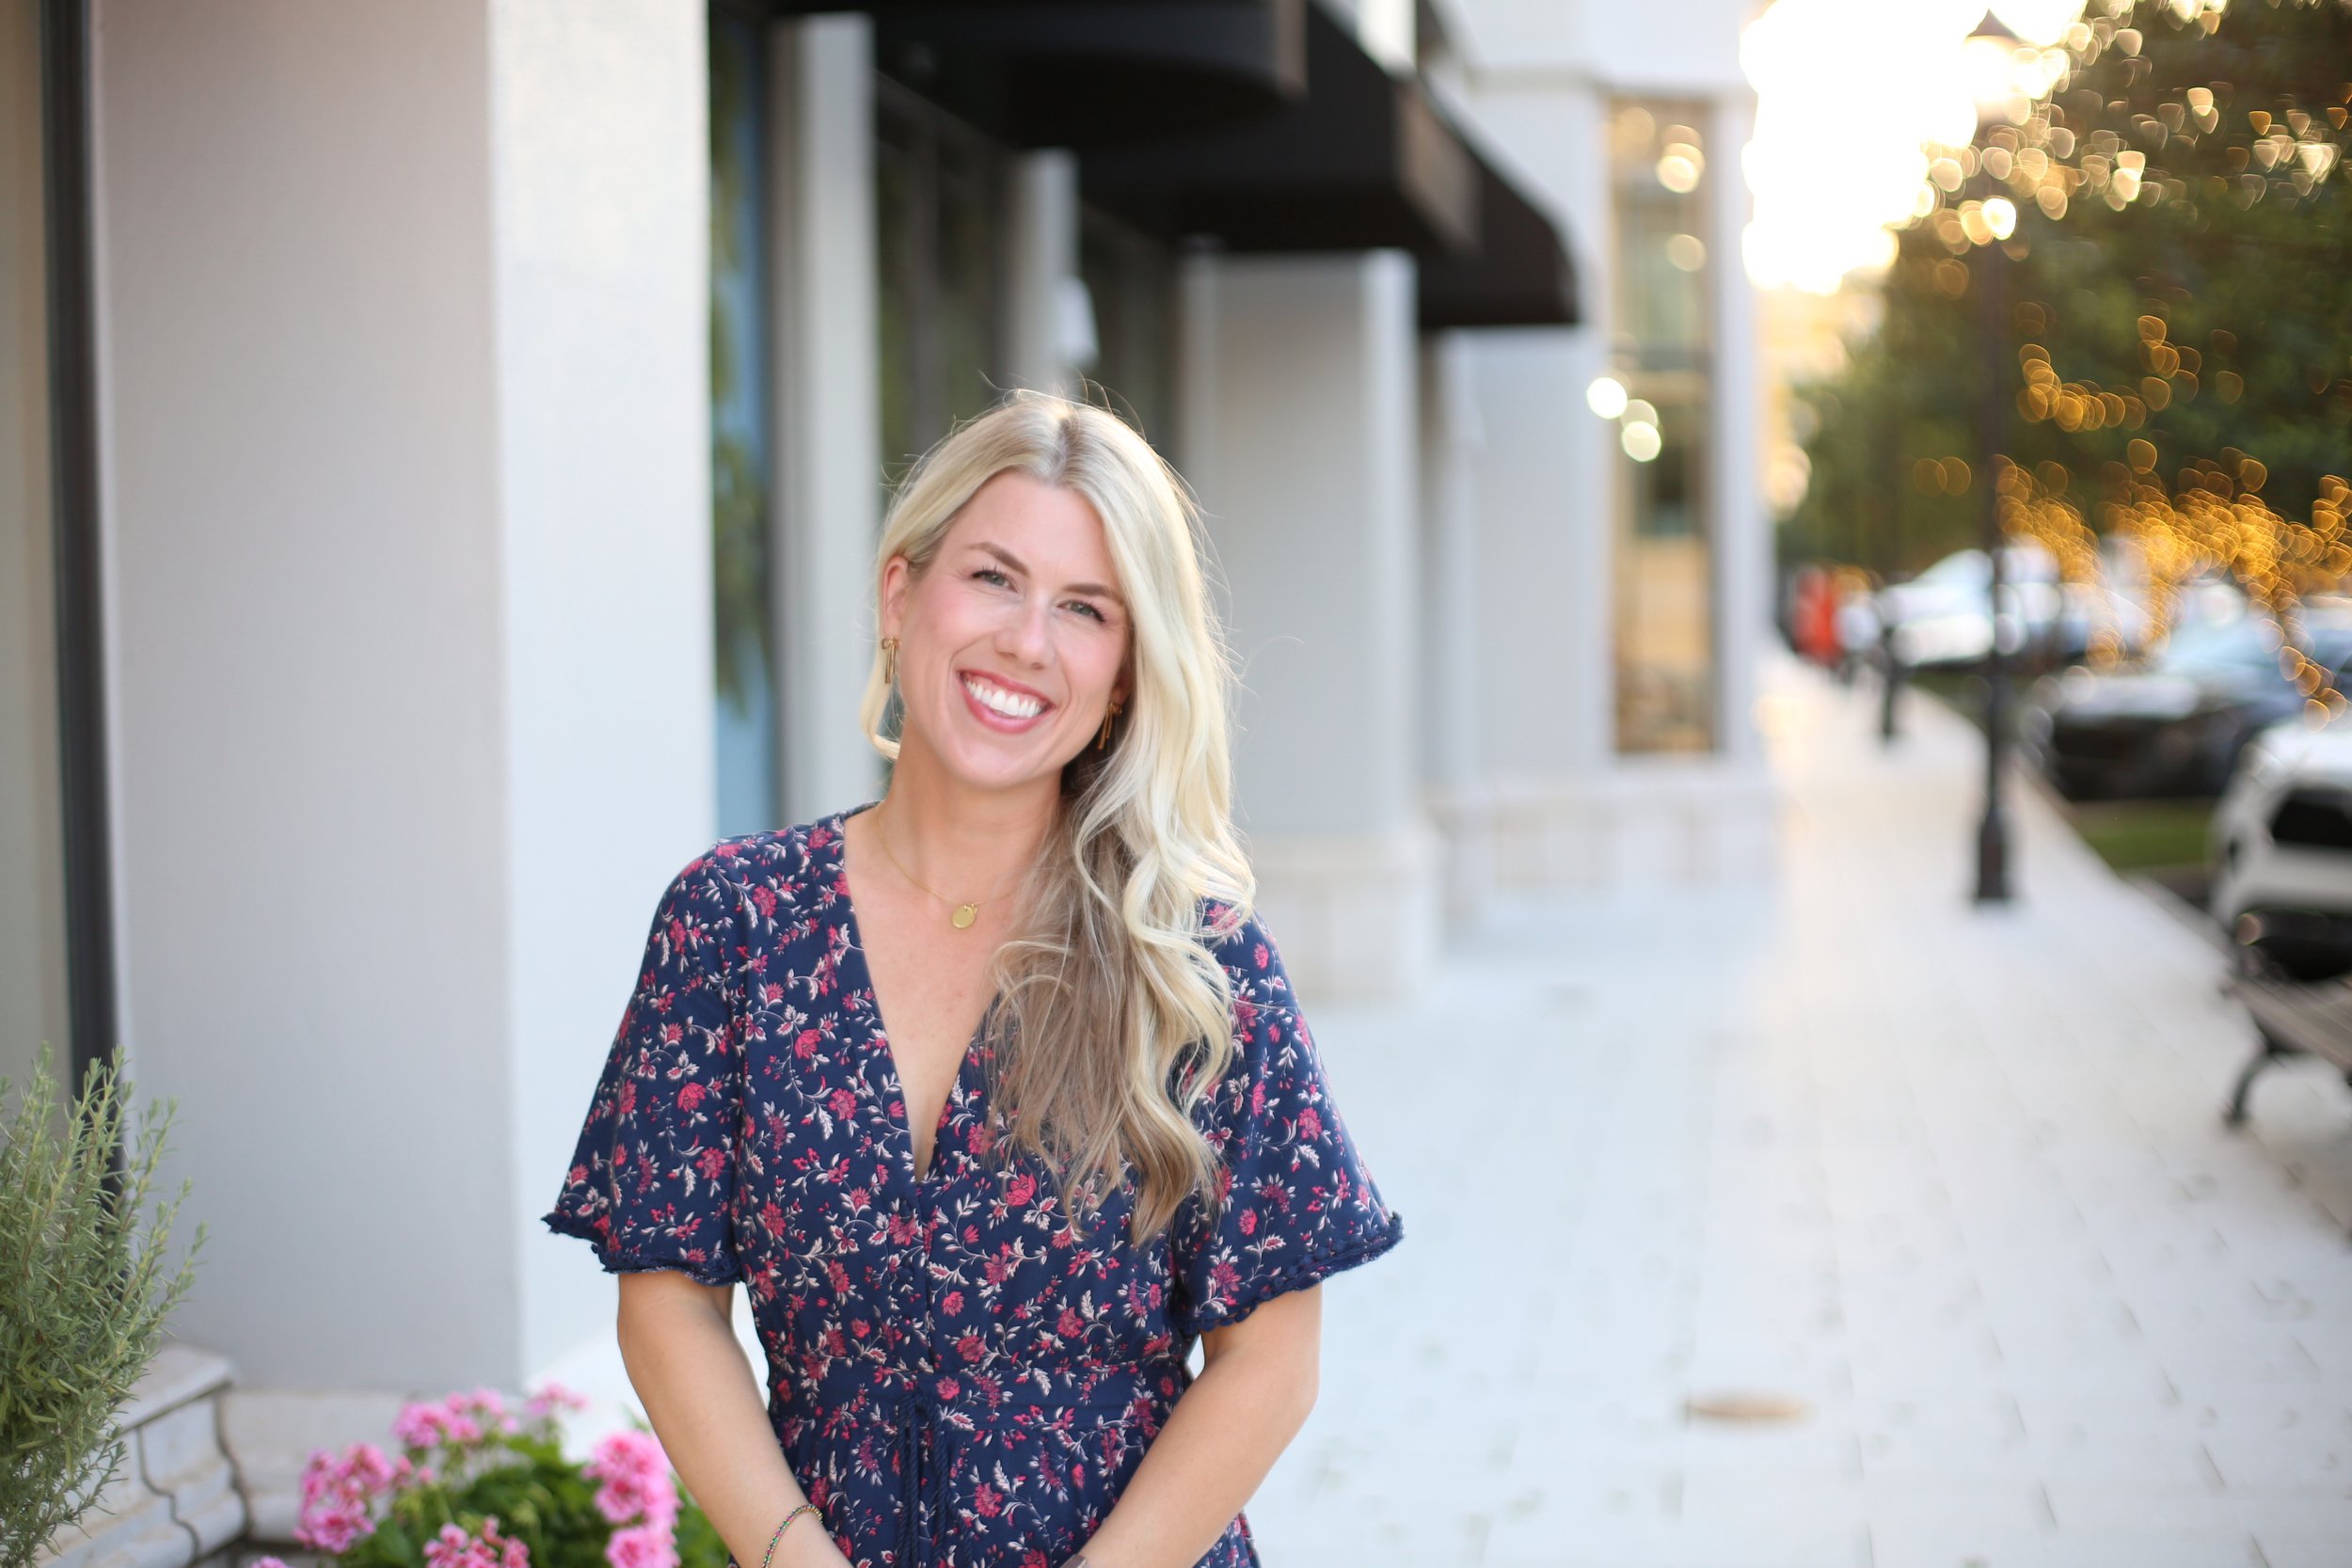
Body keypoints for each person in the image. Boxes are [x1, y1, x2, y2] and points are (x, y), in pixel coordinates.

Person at [542, 389, 1406, 1568]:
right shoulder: (733, 924)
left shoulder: (1198, 967)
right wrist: (792, 1553)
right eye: (993, 577)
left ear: (1124, 673)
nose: (1026, 641)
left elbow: (1268, 1362)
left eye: (1085, 608)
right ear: (902, 596)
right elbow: (668, 1293)